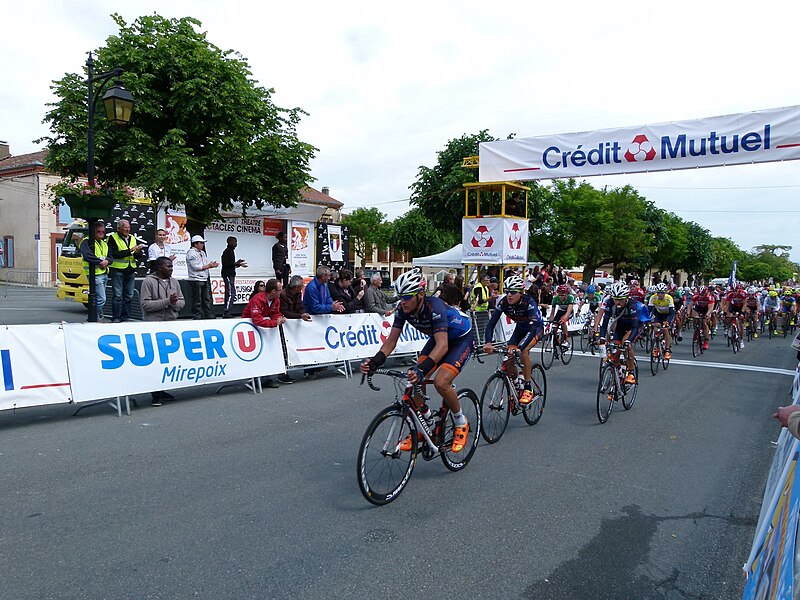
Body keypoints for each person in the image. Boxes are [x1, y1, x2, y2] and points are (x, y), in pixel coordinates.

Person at [360, 268, 473, 453]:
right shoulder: (402, 309)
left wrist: (422, 369)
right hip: (438, 340)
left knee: (441, 382)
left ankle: (461, 422)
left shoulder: (434, 307)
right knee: (414, 380)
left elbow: (443, 346)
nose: (402, 301)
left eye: (407, 297)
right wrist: (375, 362)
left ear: (421, 294)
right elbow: (391, 341)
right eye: (400, 297)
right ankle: (425, 424)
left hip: (460, 339)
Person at [483, 275, 545, 404]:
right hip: (520, 328)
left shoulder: (529, 302)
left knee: (522, 352)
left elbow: (532, 328)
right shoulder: (503, 302)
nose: (509, 295)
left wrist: (520, 348)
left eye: (513, 292)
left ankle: (528, 387)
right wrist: (488, 342)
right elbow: (491, 324)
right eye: (507, 291)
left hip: (535, 329)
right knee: (508, 356)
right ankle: (517, 382)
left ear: (521, 292)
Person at [140, 257, 185, 406]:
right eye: (168, 266)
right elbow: (145, 305)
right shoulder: (148, 281)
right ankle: (155, 394)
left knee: (168, 361)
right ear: (159, 267)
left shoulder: (174, 282)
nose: (171, 269)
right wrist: (167, 301)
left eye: (172, 266)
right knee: (156, 362)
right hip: (153, 325)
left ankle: (163, 390)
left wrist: (174, 304)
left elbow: (182, 301)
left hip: (170, 324)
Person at [242, 278, 287, 389]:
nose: (281, 292)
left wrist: (279, 318)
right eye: (280, 290)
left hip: (264, 327)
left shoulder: (276, 300)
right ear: (273, 291)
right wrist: (274, 322)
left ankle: (266, 378)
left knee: (267, 351)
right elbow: (257, 320)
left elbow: (275, 313)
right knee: (255, 353)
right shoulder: (257, 299)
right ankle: (254, 377)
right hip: (249, 328)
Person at [594, 281, 640, 385]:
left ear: (626, 298)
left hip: (632, 326)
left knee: (625, 343)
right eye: (615, 299)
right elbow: (605, 323)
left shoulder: (632, 304)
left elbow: (635, 326)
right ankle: (616, 379)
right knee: (616, 349)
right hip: (620, 326)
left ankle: (631, 373)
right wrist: (601, 337)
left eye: (621, 300)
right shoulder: (610, 303)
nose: (617, 302)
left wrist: (629, 340)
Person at [107, 219, 146, 323]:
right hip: (118, 270)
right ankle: (116, 317)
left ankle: (126, 317)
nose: (127, 229)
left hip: (130, 270)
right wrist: (130, 250)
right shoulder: (112, 238)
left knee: (129, 295)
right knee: (117, 296)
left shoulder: (132, 237)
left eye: (128, 227)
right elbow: (115, 254)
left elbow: (136, 256)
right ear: (119, 228)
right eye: (125, 227)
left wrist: (137, 252)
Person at [79, 221, 110, 322]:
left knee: (99, 299)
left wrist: (107, 261)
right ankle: (92, 317)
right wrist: (100, 262)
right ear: (93, 231)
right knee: (102, 299)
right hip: (95, 275)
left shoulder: (104, 244)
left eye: (103, 232)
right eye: (98, 231)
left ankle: (96, 317)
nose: (101, 233)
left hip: (104, 274)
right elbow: (88, 256)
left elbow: (110, 256)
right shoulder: (86, 242)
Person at [186, 235, 219, 320]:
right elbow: (195, 267)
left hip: (204, 278)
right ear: (195, 244)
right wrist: (208, 266)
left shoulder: (202, 253)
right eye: (201, 243)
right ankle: (197, 315)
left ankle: (207, 314)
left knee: (206, 298)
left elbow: (205, 264)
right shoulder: (191, 253)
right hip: (196, 279)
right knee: (197, 299)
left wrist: (211, 265)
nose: (202, 245)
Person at [221, 236, 247, 318]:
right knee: (230, 293)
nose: (236, 244)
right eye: (234, 242)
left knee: (231, 292)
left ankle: (227, 310)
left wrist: (237, 264)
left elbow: (230, 264)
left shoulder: (231, 251)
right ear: (229, 242)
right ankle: (226, 310)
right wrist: (236, 263)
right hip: (228, 275)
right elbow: (225, 264)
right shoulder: (227, 252)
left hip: (231, 274)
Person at [648, 282, 675, 359]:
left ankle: (667, 349)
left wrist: (668, 322)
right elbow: (649, 311)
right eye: (658, 292)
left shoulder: (669, 298)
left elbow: (672, 313)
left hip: (668, 314)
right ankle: (656, 347)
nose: (660, 294)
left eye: (662, 293)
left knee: (665, 329)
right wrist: (647, 320)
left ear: (665, 293)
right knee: (656, 329)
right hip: (659, 314)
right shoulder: (653, 298)